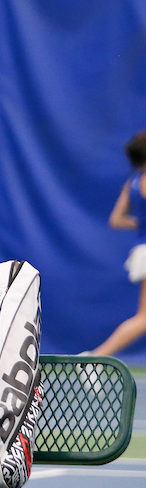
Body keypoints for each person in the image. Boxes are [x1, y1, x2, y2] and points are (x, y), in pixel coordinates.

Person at [91, 131, 146, 356]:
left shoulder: (132, 182)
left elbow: (117, 219)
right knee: (144, 319)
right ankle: (95, 358)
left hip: (141, 250)